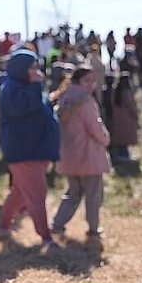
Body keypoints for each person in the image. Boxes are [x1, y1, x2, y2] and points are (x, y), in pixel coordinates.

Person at [0, 49, 60, 250]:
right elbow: (24, 107)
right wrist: (36, 85)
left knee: (21, 192)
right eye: (32, 67)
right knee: (37, 194)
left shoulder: (28, 86)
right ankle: (46, 238)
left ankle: (3, 226)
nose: (37, 72)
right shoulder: (11, 89)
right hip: (24, 151)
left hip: (36, 148)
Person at [51, 66, 111, 238]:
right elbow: (95, 127)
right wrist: (106, 139)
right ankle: (94, 228)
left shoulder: (63, 98)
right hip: (88, 155)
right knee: (93, 195)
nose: (92, 84)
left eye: (93, 80)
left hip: (69, 156)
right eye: (88, 80)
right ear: (78, 81)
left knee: (73, 193)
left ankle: (57, 224)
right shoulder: (85, 100)